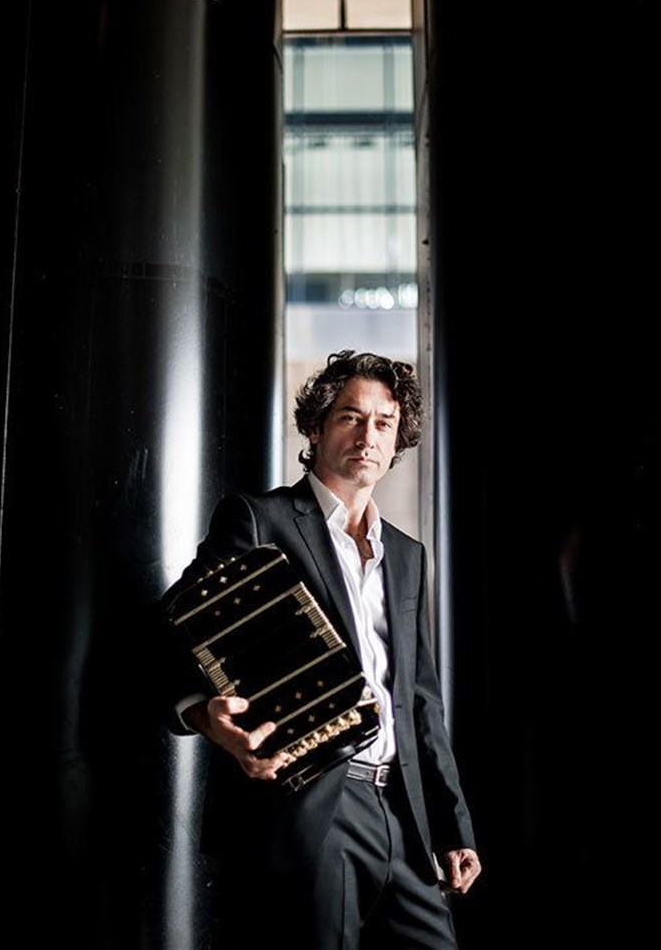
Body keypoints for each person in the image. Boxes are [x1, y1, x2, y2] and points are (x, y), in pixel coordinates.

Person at [158, 350, 481, 950]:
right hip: (315, 806)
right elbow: (175, 629)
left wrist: (451, 824)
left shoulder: (407, 554)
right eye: (350, 417)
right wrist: (204, 717)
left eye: (384, 422)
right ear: (316, 428)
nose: (368, 436)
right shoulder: (260, 519)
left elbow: (419, 700)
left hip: (402, 809)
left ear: (398, 438)